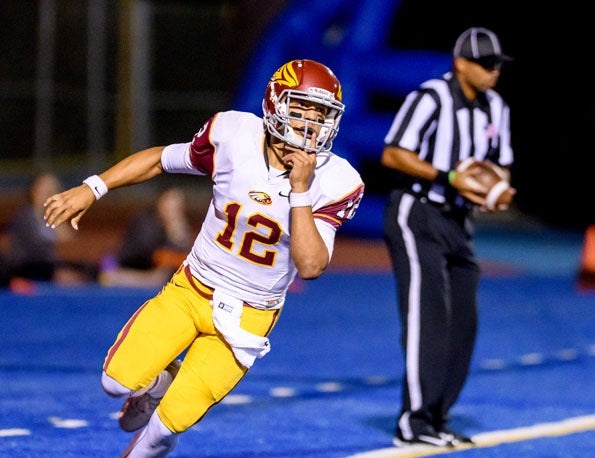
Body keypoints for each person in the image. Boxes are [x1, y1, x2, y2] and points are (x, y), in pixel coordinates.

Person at [43, 59, 364, 457]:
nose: (310, 126)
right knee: (115, 383)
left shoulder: (337, 179)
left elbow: (312, 266)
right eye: (301, 112)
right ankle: (158, 386)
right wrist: (93, 188)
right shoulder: (232, 135)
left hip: (249, 317)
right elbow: (161, 158)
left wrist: (300, 191)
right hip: (192, 290)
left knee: (165, 430)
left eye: (322, 116)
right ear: (275, 105)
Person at [381, 27, 515, 448]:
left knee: (463, 324)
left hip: (459, 222)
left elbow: (500, 164)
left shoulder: (496, 107)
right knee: (429, 318)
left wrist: (495, 191)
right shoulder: (431, 97)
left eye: (497, 63)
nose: (494, 71)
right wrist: (450, 177)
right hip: (417, 212)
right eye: (486, 63)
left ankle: (438, 417)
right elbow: (393, 152)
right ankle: (414, 423)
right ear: (461, 64)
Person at [2, 171, 96, 288]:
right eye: (44, 190)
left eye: (52, 190)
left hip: (53, 266)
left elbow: (70, 244)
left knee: (88, 271)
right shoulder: (26, 217)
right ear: (33, 191)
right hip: (30, 268)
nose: (48, 194)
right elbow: (38, 250)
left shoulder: (57, 217)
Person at [99, 187, 193, 288]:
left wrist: (179, 238)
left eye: (177, 208)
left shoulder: (180, 229)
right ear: (159, 204)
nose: (173, 212)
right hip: (125, 272)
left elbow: (178, 267)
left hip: (156, 281)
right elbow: (147, 264)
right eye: (169, 206)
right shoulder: (145, 226)